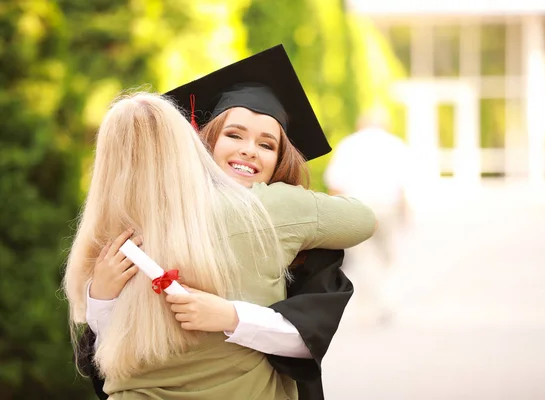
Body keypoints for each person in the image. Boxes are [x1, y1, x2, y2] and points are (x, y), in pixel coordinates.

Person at [72, 47, 372, 399]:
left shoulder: (281, 210)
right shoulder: (149, 215)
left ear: (280, 161)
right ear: (205, 141)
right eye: (234, 135)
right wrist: (100, 298)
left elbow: (307, 337)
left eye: (266, 144)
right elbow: (114, 349)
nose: (249, 150)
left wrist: (230, 316)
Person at [324, 109, 412, 324]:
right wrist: (407, 212)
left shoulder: (348, 145)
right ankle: (388, 303)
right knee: (389, 259)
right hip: (388, 208)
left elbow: (334, 184)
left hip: (357, 209)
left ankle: (369, 310)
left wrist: (334, 215)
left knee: (364, 259)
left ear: (360, 124)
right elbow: (405, 185)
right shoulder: (395, 144)